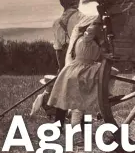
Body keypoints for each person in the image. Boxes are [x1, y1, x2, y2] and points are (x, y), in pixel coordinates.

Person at [47, 15, 114, 145]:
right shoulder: (86, 39)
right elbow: (92, 30)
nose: (100, 28)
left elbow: (101, 53)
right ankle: (65, 129)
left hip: (79, 69)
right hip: (80, 70)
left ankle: (61, 127)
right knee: (78, 103)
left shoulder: (90, 41)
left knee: (66, 102)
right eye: (98, 26)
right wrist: (100, 19)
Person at [53, 0, 85, 72]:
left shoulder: (56, 22)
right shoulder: (83, 18)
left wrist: (61, 69)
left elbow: (58, 49)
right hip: (82, 59)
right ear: (76, 3)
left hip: (66, 60)